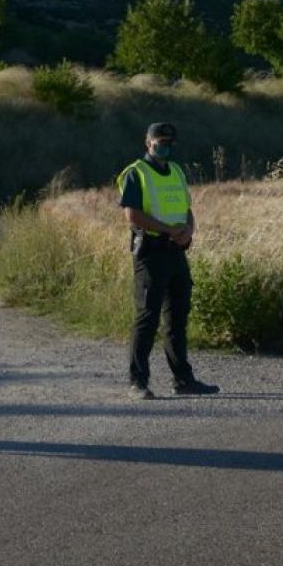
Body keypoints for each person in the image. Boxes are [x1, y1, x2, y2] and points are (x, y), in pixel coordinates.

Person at [117, 122, 219, 399]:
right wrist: (169, 230)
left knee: (177, 318)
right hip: (150, 251)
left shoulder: (176, 170)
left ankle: (183, 380)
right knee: (147, 318)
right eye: (160, 142)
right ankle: (137, 382)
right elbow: (133, 216)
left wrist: (187, 231)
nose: (165, 147)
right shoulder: (135, 173)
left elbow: (186, 209)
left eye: (170, 143)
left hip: (176, 250)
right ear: (148, 142)